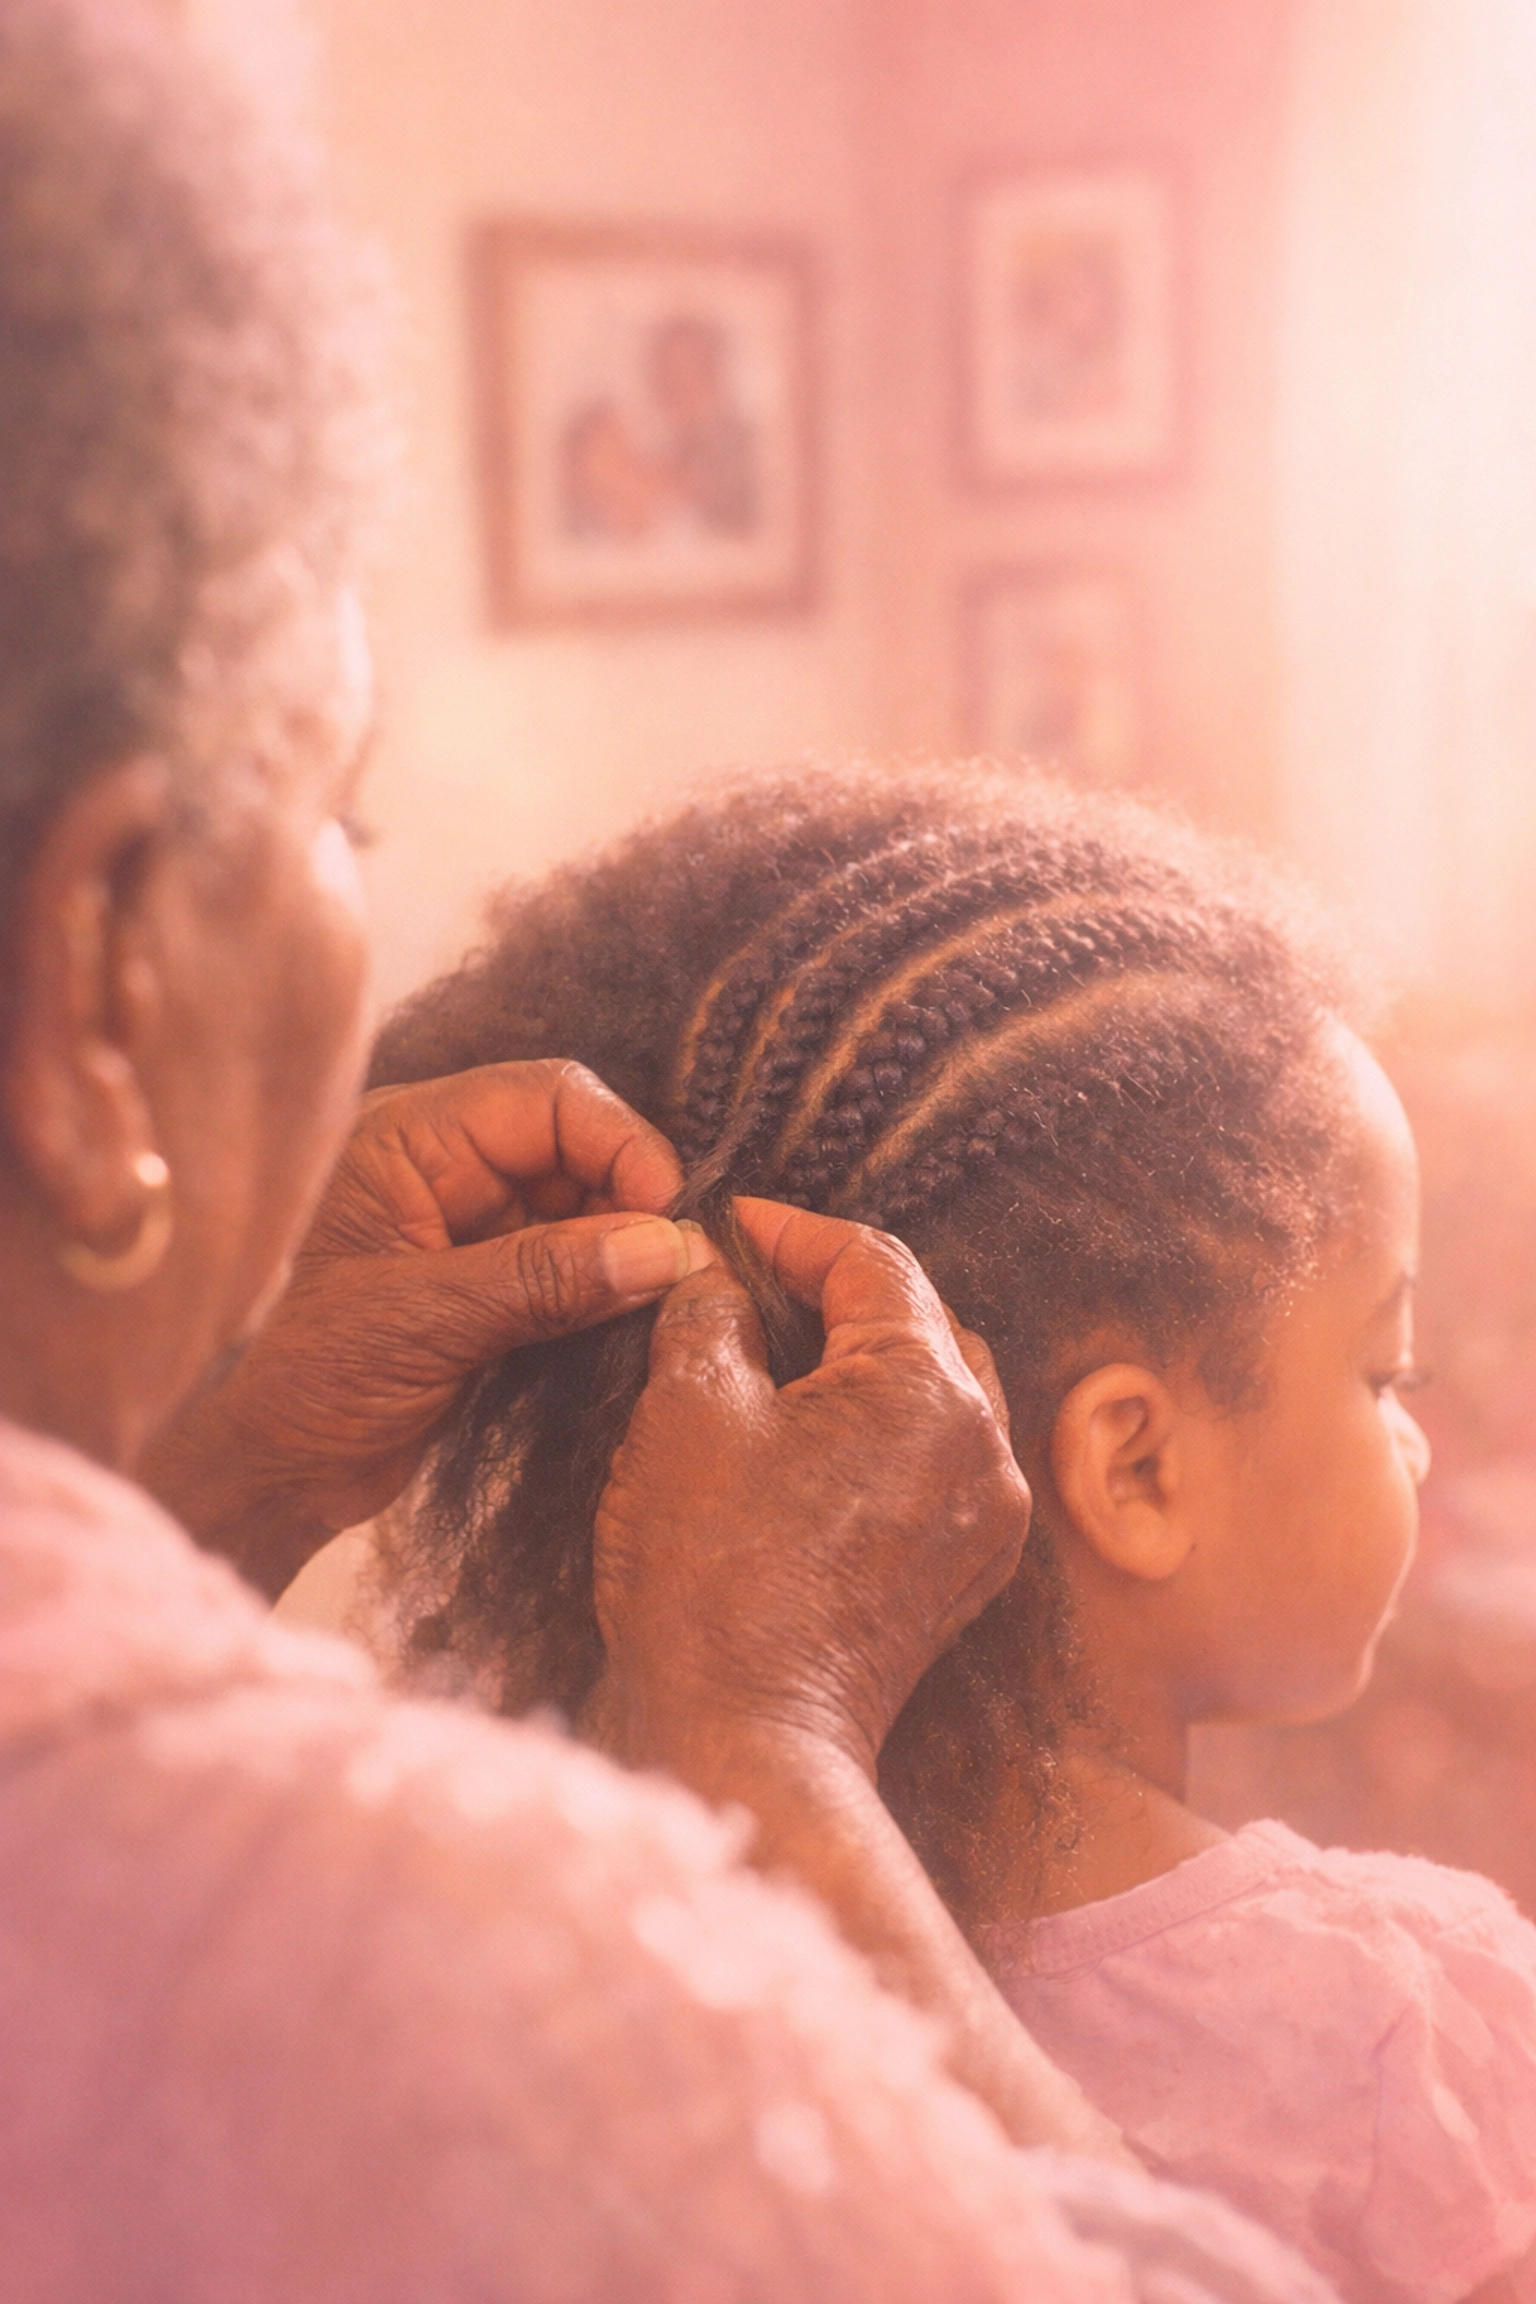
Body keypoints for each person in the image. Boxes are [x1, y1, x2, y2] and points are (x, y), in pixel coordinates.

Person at [0, 2, 1336, 2297]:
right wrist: (766, 1740)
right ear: (108, 973)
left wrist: (208, 1476)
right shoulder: (446, 1984)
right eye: (338, 815)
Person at [360, 765, 1536, 2304]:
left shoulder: (550, 1960)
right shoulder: (1409, 2033)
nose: (1414, 1435)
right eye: (1384, 1373)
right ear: (1137, 1467)